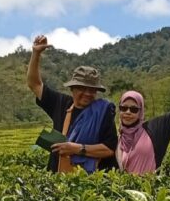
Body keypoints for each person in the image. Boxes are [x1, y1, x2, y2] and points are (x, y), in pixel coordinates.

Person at [26, 35, 117, 173]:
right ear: (72, 88)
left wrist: (77, 149)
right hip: (56, 178)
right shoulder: (61, 103)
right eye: (82, 88)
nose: (87, 93)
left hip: (85, 180)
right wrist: (36, 53)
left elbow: (109, 149)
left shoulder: (103, 112)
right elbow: (34, 84)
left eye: (92, 90)